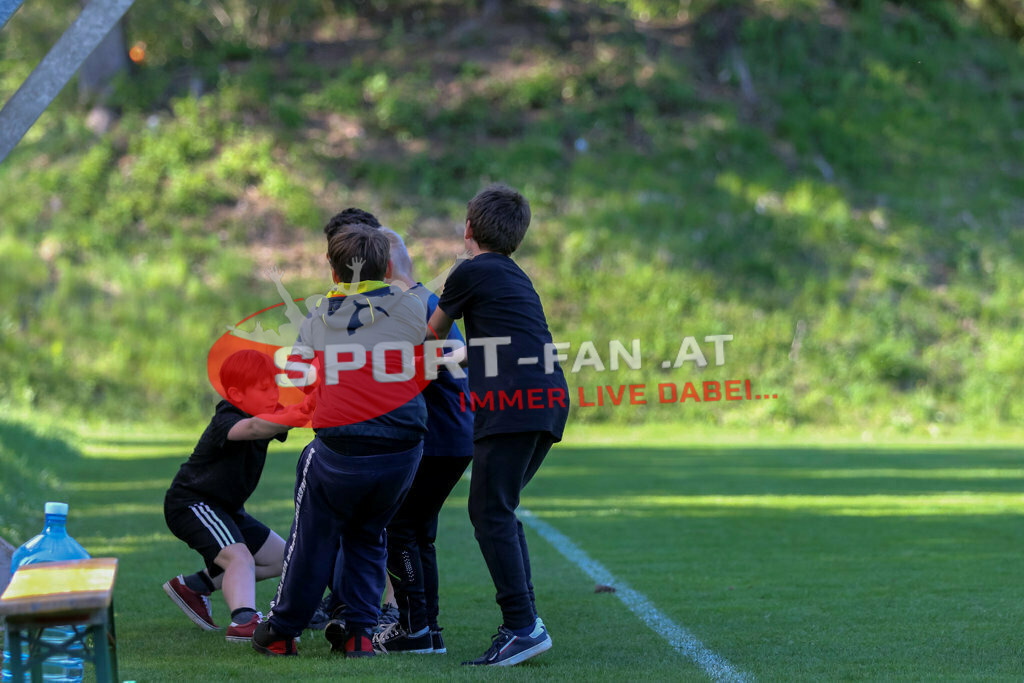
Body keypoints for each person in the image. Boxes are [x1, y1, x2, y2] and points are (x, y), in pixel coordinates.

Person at [252, 224, 428, 658]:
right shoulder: (411, 309)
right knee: (370, 535)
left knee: (311, 537)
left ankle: (282, 630)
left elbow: (296, 376)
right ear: (386, 266)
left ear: (332, 268)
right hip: (403, 448)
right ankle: (359, 633)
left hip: (341, 446)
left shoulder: (318, 316)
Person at [426, 183, 570, 666]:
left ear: (468, 228)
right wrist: (463, 357)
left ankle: (522, 626)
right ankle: (525, 621)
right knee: (498, 509)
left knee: (489, 513)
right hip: (546, 399)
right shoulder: (514, 275)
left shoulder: (470, 271)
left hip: (512, 405)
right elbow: (508, 339)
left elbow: (431, 334)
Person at [369, 227, 474, 655]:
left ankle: (414, 631)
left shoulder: (404, 306)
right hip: (456, 432)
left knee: (400, 528)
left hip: (436, 435)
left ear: (385, 266)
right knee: (419, 532)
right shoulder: (427, 301)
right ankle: (427, 630)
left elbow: (403, 372)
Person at [162, 349, 310, 642]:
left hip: (227, 509)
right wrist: (309, 409)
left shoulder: (268, 412)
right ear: (236, 394)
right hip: (192, 503)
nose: (273, 393)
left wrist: (318, 403)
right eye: (264, 388)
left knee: (285, 558)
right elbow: (255, 428)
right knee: (239, 557)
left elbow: (287, 416)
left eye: (275, 386)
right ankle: (244, 621)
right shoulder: (228, 417)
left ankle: (195, 586)